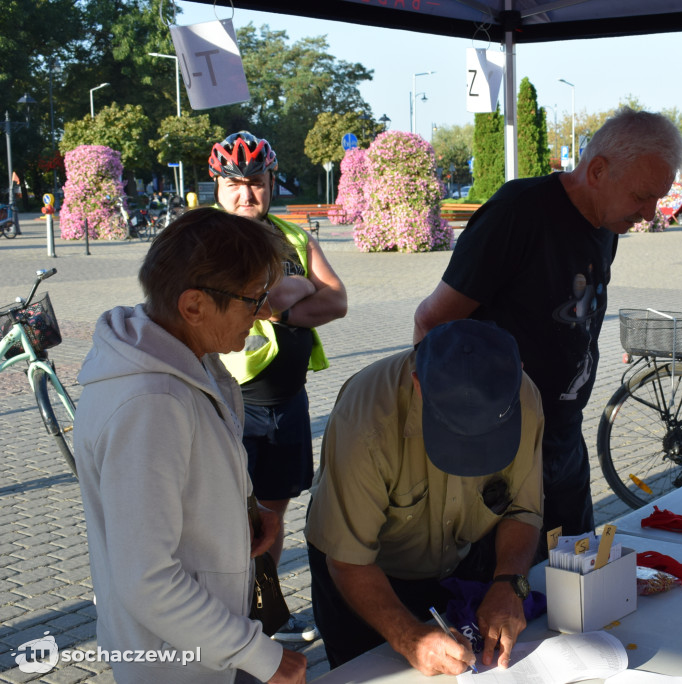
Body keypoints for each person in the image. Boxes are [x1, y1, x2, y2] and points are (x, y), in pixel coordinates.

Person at [413, 107, 682, 537]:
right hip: (499, 443)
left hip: (562, 435)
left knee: (574, 572)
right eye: (641, 197)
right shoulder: (518, 212)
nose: (650, 214)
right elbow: (432, 323)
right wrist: (453, 427)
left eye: (657, 198)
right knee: (506, 586)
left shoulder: (606, 224)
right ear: (597, 170)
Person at [74, 208, 307, 684]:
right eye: (253, 299)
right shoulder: (151, 405)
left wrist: (244, 512)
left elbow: (193, 482)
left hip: (205, 645)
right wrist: (257, 654)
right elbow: (147, 578)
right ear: (194, 306)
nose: (265, 312)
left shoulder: (192, 360)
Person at [305, 319, 544, 674]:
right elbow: (349, 560)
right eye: (453, 435)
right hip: (363, 576)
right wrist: (410, 637)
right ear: (419, 385)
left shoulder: (522, 396)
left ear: (517, 375)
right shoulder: (366, 420)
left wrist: (509, 584)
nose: (467, 461)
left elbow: (522, 509)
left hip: (452, 564)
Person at [209, 131, 348, 642]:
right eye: (236, 184)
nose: (247, 195)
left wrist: (280, 304)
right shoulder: (205, 239)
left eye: (257, 183)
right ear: (217, 187)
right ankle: (233, 616)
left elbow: (335, 302)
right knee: (228, 514)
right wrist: (294, 288)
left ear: (271, 183)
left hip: (288, 403)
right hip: (231, 402)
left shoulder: (293, 237)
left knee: (272, 510)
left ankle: (269, 608)